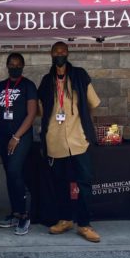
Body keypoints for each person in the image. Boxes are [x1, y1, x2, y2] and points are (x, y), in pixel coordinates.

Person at [37, 41, 101, 242]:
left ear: (68, 53)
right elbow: (40, 110)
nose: (59, 54)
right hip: (55, 142)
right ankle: (65, 219)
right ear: (51, 54)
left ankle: (84, 224)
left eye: (63, 51)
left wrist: (83, 124)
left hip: (78, 140)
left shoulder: (80, 76)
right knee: (60, 184)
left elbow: (93, 103)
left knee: (84, 184)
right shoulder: (46, 81)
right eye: (56, 52)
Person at [0, 52, 37, 236]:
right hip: (2, 136)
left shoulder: (28, 85)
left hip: (21, 137)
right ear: (7, 65)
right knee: (9, 174)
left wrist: (16, 137)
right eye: (12, 64)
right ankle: (15, 212)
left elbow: (31, 114)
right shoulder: (1, 86)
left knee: (15, 171)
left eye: (18, 64)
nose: (15, 66)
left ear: (23, 66)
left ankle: (25, 215)